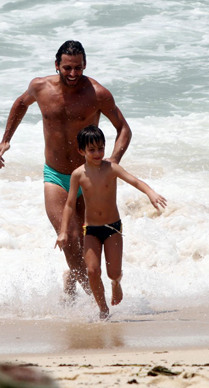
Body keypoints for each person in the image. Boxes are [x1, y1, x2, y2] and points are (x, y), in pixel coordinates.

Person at [0, 40, 132, 297]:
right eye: (67, 67)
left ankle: (74, 278)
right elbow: (21, 104)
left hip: (88, 177)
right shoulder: (40, 87)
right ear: (56, 65)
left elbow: (123, 129)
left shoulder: (98, 94)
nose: (72, 73)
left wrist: (113, 161)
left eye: (78, 68)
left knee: (87, 243)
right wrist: (6, 139)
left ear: (85, 65)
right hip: (55, 175)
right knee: (68, 237)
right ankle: (94, 299)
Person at [56, 125, 166, 320]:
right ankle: (103, 309)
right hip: (90, 229)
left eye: (101, 148)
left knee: (113, 272)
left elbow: (135, 181)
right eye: (92, 150)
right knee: (92, 270)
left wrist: (151, 193)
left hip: (112, 228)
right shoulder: (78, 175)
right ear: (81, 151)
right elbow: (70, 205)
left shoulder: (111, 168)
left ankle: (116, 284)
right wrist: (63, 231)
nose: (97, 153)